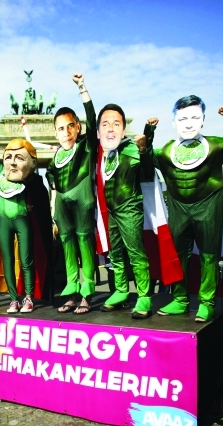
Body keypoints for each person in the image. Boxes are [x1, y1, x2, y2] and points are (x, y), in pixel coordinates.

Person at [147, 96, 223, 322]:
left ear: (203, 119)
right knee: (177, 256)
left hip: (208, 205)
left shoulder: (217, 145)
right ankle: (180, 299)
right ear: (174, 122)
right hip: (178, 208)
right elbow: (145, 160)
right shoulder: (165, 151)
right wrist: (149, 133)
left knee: (209, 255)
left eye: (194, 117)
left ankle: (207, 302)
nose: (188, 123)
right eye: (182, 118)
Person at [0, 127, 52, 313]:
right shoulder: (1, 173)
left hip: (22, 221)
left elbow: (39, 194)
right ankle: (13, 299)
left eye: (19, 158)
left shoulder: (27, 178)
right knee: (7, 261)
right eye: (9, 157)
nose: (13, 162)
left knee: (26, 260)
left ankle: (28, 297)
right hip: (5, 223)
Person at [46, 73, 98, 315]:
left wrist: (82, 89)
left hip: (83, 204)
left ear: (78, 127)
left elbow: (92, 119)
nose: (66, 132)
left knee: (85, 246)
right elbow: (52, 179)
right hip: (63, 209)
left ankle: (86, 295)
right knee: (68, 248)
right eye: (60, 128)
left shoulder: (85, 147)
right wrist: (53, 211)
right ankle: (71, 293)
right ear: (55, 133)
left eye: (70, 126)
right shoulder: (55, 158)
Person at [96, 104, 153, 319]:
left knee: (135, 252)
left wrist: (145, 146)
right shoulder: (108, 154)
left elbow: (147, 172)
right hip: (112, 210)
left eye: (116, 124)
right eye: (105, 124)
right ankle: (121, 290)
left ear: (123, 128)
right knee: (116, 254)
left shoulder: (131, 148)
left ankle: (144, 295)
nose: (111, 128)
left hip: (129, 207)